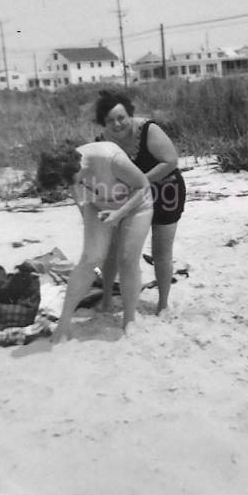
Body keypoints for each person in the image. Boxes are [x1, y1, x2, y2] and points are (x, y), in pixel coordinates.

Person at [45, 141, 153, 343]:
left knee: (127, 259)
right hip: (100, 204)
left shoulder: (110, 159)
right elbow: (79, 196)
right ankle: (64, 323)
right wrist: (94, 223)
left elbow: (143, 185)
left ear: (77, 168)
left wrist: (118, 214)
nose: (67, 187)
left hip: (136, 205)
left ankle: (129, 320)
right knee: (90, 258)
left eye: (67, 182)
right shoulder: (70, 170)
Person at [94, 91, 186, 315]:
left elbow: (171, 161)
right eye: (110, 120)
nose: (117, 124)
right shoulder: (102, 142)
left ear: (129, 114)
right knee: (115, 249)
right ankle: (107, 299)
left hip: (166, 191)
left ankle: (163, 304)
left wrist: (140, 181)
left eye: (121, 117)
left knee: (161, 251)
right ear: (102, 123)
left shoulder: (148, 130)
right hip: (130, 196)